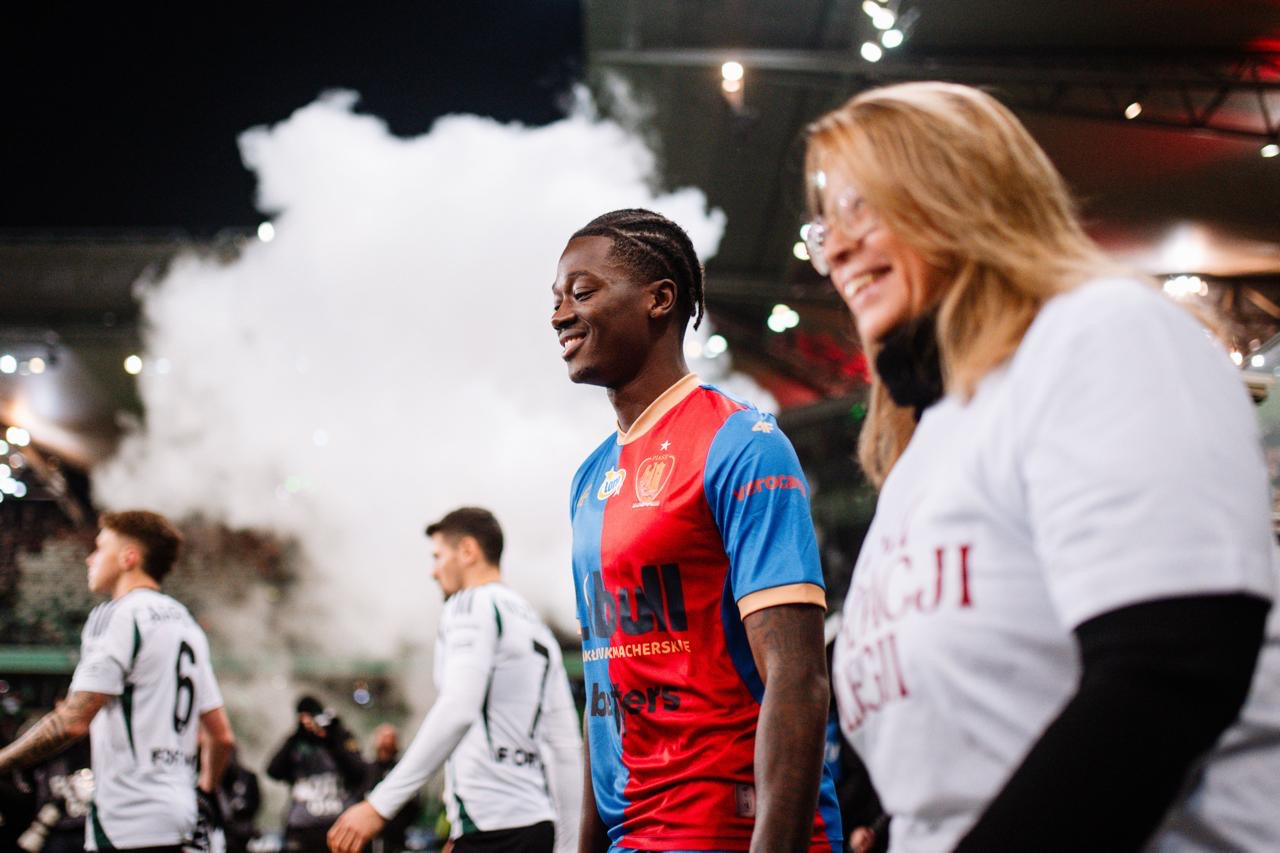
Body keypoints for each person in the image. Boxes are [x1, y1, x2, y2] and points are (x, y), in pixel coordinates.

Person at [804, 81, 1280, 851]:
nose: (836, 247)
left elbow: (1171, 665)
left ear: (962, 191)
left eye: (862, 207)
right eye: (825, 223)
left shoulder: (1100, 334)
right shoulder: (930, 441)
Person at [552, 209, 843, 851]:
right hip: (632, 834)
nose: (559, 315)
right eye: (556, 299)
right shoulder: (588, 479)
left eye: (582, 292)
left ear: (660, 299)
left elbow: (798, 678)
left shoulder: (743, 445)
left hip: (725, 829)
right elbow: (604, 687)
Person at [327, 507, 582, 853]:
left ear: (467, 551)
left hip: (490, 830)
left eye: (438, 556)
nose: (433, 571)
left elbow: (458, 708)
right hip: (535, 828)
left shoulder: (469, 604)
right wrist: (569, 846)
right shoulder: (534, 625)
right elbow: (565, 747)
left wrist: (379, 805)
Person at [0, 509, 237, 851]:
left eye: (99, 548)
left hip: (127, 817)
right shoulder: (187, 624)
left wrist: (5, 760)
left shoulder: (117, 615)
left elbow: (72, 722)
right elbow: (222, 737)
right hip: (180, 814)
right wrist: (206, 790)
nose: (90, 559)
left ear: (129, 558)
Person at [267, 695, 367, 852]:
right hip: (302, 827)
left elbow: (360, 773)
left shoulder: (339, 736)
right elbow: (273, 771)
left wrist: (332, 738)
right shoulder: (297, 742)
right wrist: (297, 735)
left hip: (338, 824)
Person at [362, 724, 422, 853]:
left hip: (395, 841)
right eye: (382, 740)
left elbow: (415, 806)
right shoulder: (367, 770)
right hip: (367, 841)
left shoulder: (402, 771)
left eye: (388, 741)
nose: (385, 743)